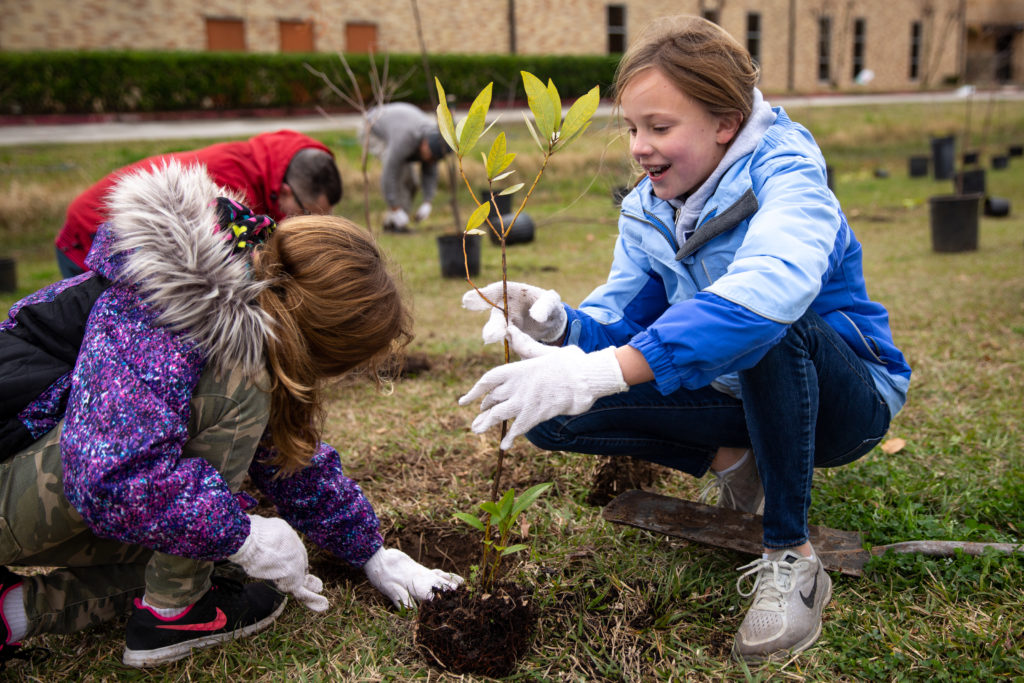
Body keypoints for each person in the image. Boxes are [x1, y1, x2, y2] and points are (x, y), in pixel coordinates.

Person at [459, 15, 910, 664]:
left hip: (848, 403)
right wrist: (559, 326)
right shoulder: (648, 209)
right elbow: (620, 326)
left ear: (725, 122)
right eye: (633, 128)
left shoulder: (787, 174)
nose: (640, 147)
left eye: (660, 128)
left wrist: (597, 370)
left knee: (766, 329)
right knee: (554, 417)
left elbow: (767, 296)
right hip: (736, 392)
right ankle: (739, 459)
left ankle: (792, 556)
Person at [1, 160, 460, 669]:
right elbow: (111, 477)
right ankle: (174, 616)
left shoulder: (243, 294)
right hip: (31, 483)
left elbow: (280, 454)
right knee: (237, 416)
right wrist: (243, 535)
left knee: (206, 547)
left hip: (30, 482)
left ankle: (11, 612)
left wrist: (371, 551)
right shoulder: (167, 309)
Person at [54, 129, 342, 278]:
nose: (304, 223)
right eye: (305, 214)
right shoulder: (231, 191)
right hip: (94, 232)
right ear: (285, 191)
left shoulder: (270, 166)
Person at [365, 102, 451, 233]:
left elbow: (430, 170)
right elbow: (389, 174)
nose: (430, 161)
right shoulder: (405, 140)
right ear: (424, 144)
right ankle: (395, 222)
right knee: (403, 176)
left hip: (400, 124)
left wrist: (428, 201)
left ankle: (394, 221)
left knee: (412, 182)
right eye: (430, 156)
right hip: (374, 127)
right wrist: (395, 208)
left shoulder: (435, 140)